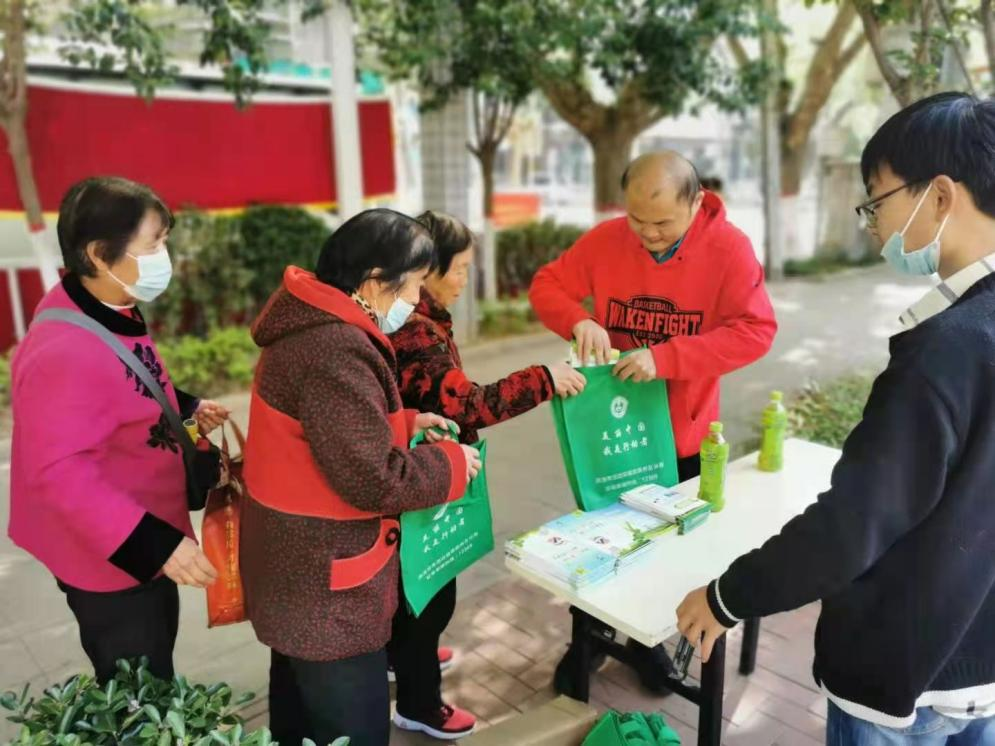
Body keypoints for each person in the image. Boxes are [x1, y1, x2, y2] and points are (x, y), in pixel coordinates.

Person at [676, 92, 995, 745]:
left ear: (939, 197)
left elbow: (852, 527)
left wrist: (725, 596)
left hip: (903, 671)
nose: (870, 224)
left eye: (877, 200)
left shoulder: (944, 350)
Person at [529, 150, 776, 687]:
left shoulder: (729, 250)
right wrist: (579, 321)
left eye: (663, 222)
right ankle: (587, 642)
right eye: (637, 220)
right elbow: (547, 285)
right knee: (596, 540)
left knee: (666, 549)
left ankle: (648, 645)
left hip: (680, 434)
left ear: (696, 202)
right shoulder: (607, 239)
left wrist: (666, 358)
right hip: (610, 432)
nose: (648, 234)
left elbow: (756, 330)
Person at [239, 208, 482, 746]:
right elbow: (374, 479)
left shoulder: (318, 325)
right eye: (415, 285)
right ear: (375, 281)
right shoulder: (335, 347)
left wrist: (406, 421)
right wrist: (452, 465)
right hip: (322, 590)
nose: (418, 301)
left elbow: (333, 428)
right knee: (354, 727)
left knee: (298, 716)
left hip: (294, 571)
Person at [7, 176, 230, 684]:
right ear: (100, 255)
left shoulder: (105, 307)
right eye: (154, 243)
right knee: (138, 689)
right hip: (113, 558)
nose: (164, 255)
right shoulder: (61, 350)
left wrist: (186, 407)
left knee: (155, 663)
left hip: (143, 530)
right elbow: (60, 473)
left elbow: (125, 382)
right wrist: (159, 545)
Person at [387, 210, 587, 740]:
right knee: (430, 595)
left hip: (416, 473)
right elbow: (468, 407)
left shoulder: (420, 319)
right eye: (460, 270)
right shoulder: (414, 330)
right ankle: (418, 702)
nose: (465, 281)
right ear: (425, 270)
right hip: (421, 480)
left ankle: (406, 659)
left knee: (413, 594)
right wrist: (544, 378)